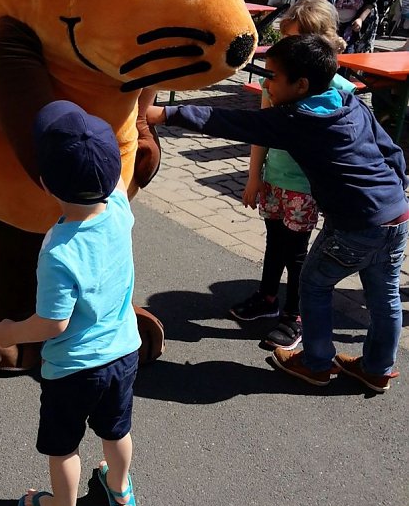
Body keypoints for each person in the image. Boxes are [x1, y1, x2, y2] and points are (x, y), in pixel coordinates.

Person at [147, 34, 408, 393]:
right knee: (385, 296)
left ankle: (315, 363)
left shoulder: (298, 120)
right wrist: (395, 192)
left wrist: (165, 113)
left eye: (272, 77)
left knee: (313, 284)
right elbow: (391, 151)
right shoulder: (349, 103)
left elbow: (230, 122)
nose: (266, 83)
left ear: (301, 85)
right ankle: (378, 368)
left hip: (354, 226)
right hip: (396, 216)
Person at [0, 101, 141, 506]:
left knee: (64, 445)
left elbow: (53, 324)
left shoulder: (58, 252)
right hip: (123, 351)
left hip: (73, 368)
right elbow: (115, 174)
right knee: (117, 429)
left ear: (42, 183)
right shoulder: (118, 208)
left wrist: (11, 332)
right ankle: (118, 488)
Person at [231, 0, 354, 351]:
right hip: (275, 179)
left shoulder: (340, 92)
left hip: (305, 187)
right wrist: (255, 176)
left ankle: (294, 315)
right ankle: (267, 297)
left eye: (294, 43)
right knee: (275, 241)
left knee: (297, 252)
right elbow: (260, 130)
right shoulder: (277, 81)